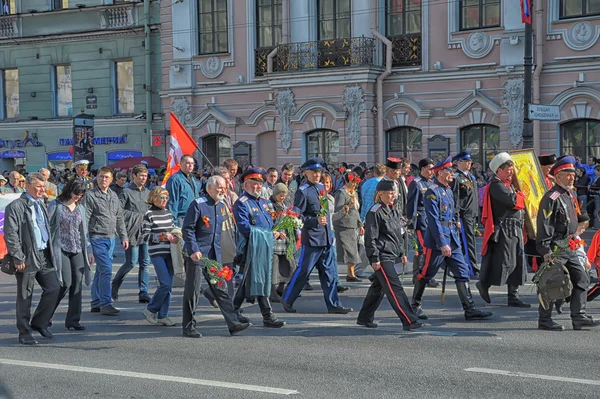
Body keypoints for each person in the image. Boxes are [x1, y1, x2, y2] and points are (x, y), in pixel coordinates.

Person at [411, 157, 492, 321]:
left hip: (452, 239)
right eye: (449, 171)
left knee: (463, 272)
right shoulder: (432, 192)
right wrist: (442, 243)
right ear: (440, 172)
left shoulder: (448, 190)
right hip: (437, 242)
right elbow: (433, 220)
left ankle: (469, 308)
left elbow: (452, 215)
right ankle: (415, 305)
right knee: (426, 273)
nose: (452, 174)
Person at [181, 175, 252, 337]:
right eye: (219, 187)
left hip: (213, 256)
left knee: (221, 289)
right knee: (192, 291)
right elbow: (188, 229)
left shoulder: (220, 205)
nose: (223, 190)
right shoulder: (198, 205)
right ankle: (188, 326)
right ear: (210, 188)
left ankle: (233, 323)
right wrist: (193, 249)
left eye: (224, 187)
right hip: (197, 255)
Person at [536, 156, 600, 331]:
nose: (572, 178)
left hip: (570, 245)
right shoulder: (552, 197)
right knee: (552, 282)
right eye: (567, 174)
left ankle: (578, 317)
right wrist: (545, 249)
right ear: (557, 176)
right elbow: (544, 224)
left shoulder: (569, 193)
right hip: (556, 247)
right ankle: (544, 319)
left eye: (573, 174)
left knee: (582, 278)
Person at [281, 158, 352, 314]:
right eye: (313, 172)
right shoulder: (303, 190)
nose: (317, 175)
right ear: (306, 173)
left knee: (329, 274)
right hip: (312, 238)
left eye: (319, 172)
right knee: (303, 272)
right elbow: (297, 216)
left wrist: (328, 232)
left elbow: (325, 212)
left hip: (325, 237)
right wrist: (314, 220)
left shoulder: (321, 188)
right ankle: (287, 299)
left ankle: (334, 305)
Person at [357, 180, 423, 331]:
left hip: (392, 254)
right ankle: (409, 320)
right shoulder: (375, 211)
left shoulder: (393, 210)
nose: (394, 196)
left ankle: (364, 317)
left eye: (394, 193)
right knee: (395, 288)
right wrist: (374, 258)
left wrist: (402, 253)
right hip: (382, 256)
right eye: (390, 193)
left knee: (378, 287)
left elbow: (396, 234)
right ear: (381, 194)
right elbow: (371, 237)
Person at [4, 172, 61, 345]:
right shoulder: (16, 206)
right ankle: (24, 332)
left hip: (44, 254)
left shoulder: (41, 203)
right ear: (27, 185)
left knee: (54, 288)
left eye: (43, 186)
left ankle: (39, 323)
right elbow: (11, 234)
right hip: (26, 256)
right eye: (38, 186)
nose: (42, 190)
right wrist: (18, 257)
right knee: (25, 295)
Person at [232, 168, 286, 327]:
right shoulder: (241, 203)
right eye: (254, 184)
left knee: (257, 280)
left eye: (259, 184)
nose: (257, 187)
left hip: (265, 246)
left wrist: (277, 230)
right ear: (246, 185)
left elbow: (270, 222)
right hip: (251, 247)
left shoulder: (264, 202)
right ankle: (266, 315)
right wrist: (269, 235)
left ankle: (234, 310)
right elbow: (245, 228)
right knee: (251, 280)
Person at [477, 152, 530, 308]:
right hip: (504, 229)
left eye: (511, 168)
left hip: (515, 228)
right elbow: (513, 201)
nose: (511, 171)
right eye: (507, 168)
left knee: (517, 261)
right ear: (498, 170)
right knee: (503, 262)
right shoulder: (496, 185)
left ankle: (513, 296)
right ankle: (484, 284)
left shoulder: (508, 184)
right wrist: (522, 195)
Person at [47, 179, 92, 331]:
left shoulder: (81, 208)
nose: (77, 197)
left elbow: (83, 232)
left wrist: (89, 250)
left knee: (77, 285)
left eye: (81, 194)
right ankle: (45, 316)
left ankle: (73, 320)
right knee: (65, 283)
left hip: (77, 248)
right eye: (75, 193)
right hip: (61, 248)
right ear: (68, 190)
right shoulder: (56, 205)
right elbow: (48, 227)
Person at [85, 166, 129, 315]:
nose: (103, 180)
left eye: (106, 177)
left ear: (111, 180)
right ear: (97, 178)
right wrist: (87, 245)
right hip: (96, 237)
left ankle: (96, 301)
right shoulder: (90, 196)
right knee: (106, 270)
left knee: (100, 271)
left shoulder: (113, 195)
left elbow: (119, 217)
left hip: (110, 238)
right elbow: (85, 220)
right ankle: (105, 303)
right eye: (101, 176)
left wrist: (124, 236)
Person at [112, 165, 151, 303]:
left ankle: (143, 292)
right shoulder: (126, 192)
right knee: (131, 262)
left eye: (145, 176)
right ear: (133, 176)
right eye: (140, 175)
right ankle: (115, 284)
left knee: (145, 262)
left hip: (145, 231)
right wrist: (137, 216)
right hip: (131, 231)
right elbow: (119, 211)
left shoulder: (148, 192)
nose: (143, 178)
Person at [140, 187, 179, 326]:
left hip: (170, 252)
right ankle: (151, 309)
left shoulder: (168, 213)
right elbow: (144, 236)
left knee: (168, 286)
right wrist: (162, 236)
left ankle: (163, 315)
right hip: (157, 253)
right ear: (154, 198)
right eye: (161, 198)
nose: (164, 201)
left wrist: (175, 236)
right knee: (165, 283)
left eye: (166, 198)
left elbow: (173, 228)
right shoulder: (149, 214)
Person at [407, 157, 439, 287]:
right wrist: (411, 224)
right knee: (422, 249)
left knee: (430, 249)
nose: (431, 171)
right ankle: (418, 276)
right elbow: (412, 205)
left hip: (431, 221)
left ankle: (426, 274)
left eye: (432, 169)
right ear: (422, 169)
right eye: (429, 169)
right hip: (421, 221)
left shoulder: (431, 182)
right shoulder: (416, 183)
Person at [333, 170, 364, 282]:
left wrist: (360, 224)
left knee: (353, 250)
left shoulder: (354, 193)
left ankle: (350, 274)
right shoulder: (341, 193)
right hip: (343, 225)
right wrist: (347, 205)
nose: (355, 185)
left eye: (356, 182)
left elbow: (355, 211)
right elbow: (338, 209)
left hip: (353, 225)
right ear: (347, 181)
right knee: (348, 251)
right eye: (353, 182)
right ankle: (349, 274)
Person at [452, 150, 479, 276]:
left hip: (472, 213)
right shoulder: (457, 178)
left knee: (469, 241)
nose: (469, 164)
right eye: (466, 161)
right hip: (463, 215)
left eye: (470, 161)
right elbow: (456, 199)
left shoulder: (471, 177)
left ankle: (463, 266)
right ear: (459, 163)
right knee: (467, 242)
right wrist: (456, 216)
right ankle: (472, 268)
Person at [269, 183, 298, 302]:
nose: (283, 197)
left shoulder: (285, 205)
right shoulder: (270, 205)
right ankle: (272, 292)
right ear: (275, 194)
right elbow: (271, 220)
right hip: (276, 240)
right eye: (280, 195)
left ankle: (282, 288)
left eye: (284, 195)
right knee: (274, 268)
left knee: (289, 265)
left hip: (286, 240)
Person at [166, 154, 201, 227]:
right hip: (181, 218)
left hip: (193, 216)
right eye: (187, 163)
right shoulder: (174, 179)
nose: (190, 165)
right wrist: (173, 221)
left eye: (192, 163)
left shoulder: (192, 179)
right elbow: (172, 201)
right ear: (181, 164)